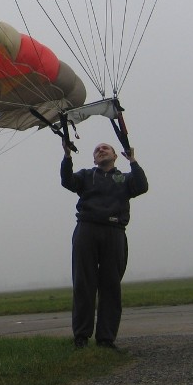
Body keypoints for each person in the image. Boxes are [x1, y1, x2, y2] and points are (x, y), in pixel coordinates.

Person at [61, 141, 148, 350]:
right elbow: (67, 181)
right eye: (97, 150)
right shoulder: (85, 176)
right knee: (84, 283)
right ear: (93, 159)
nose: (101, 151)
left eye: (105, 148)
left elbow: (142, 186)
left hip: (115, 231)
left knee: (111, 285)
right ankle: (81, 337)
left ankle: (106, 339)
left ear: (115, 155)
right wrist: (67, 156)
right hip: (87, 229)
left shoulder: (125, 178)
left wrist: (133, 161)